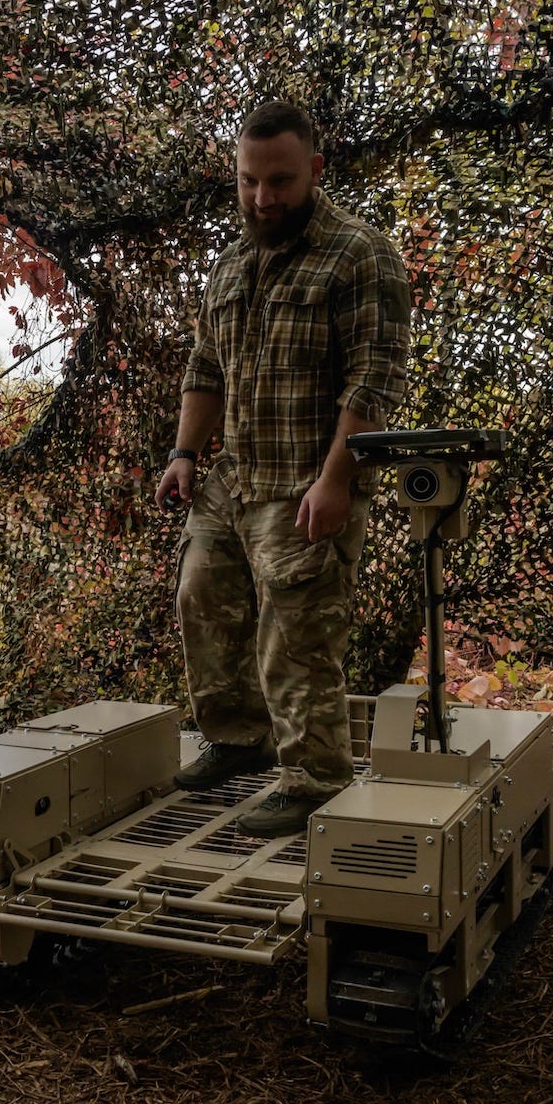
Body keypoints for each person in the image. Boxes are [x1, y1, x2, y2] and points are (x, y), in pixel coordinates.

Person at [153, 101, 410, 836]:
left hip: (307, 478)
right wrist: (182, 453)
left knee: (294, 633)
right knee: (200, 594)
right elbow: (206, 367)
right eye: (249, 182)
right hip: (233, 475)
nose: (264, 198)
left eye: (280, 182)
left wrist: (337, 480)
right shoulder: (231, 263)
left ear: (315, 172)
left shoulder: (359, 254)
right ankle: (237, 739)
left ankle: (313, 777)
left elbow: (374, 380)